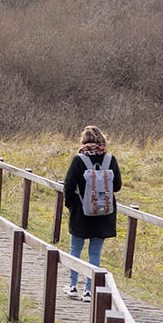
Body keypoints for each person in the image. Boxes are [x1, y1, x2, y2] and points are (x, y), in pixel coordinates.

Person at [62, 125, 122, 301]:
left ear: (84, 141)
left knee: (76, 250)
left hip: (81, 212)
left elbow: (69, 185)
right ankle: (89, 290)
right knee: (95, 253)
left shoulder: (79, 160)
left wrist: (71, 205)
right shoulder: (110, 160)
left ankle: (72, 286)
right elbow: (117, 186)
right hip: (104, 213)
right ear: (102, 140)